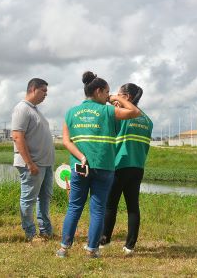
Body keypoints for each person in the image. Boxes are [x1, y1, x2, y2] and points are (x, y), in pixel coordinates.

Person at [56, 71, 140, 258]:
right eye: (107, 93)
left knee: (74, 207)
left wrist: (81, 156)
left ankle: (63, 248)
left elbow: (66, 141)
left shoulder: (71, 112)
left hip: (79, 167)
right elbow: (134, 112)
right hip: (104, 167)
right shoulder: (108, 111)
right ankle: (92, 250)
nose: (109, 96)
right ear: (99, 91)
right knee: (98, 208)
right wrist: (118, 99)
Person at [99, 83, 153, 255]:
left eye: (117, 94)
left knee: (110, 205)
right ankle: (130, 246)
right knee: (132, 206)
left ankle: (104, 240)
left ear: (126, 97)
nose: (114, 96)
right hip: (138, 167)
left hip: (119, 164)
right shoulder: (147, 120)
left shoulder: (122, 116)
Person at [11, 78, 55, 241]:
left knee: (44, 198)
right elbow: (17, 136)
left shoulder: (35, 110)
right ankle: (30, 233)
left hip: (45, 164)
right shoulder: (22, 109)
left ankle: (46, 230)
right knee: (28, 199)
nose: (45, 94)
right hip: (32, 165)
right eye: (43, 91)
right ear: (33, 89)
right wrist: (30, 163)